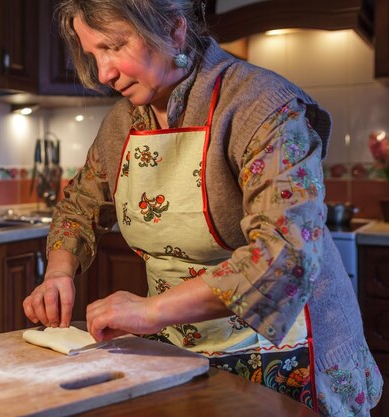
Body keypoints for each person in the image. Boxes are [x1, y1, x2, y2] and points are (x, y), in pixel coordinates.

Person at [22, 1, 383, 415]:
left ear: (174, 31)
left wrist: (151, 310)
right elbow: (78, 207)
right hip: (180, 348)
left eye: (114, 46)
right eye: (93, 55)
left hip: (289, 350)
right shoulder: (121, 124)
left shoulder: (260, 105)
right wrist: (58, 274)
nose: (104, 73)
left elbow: (284, 255)